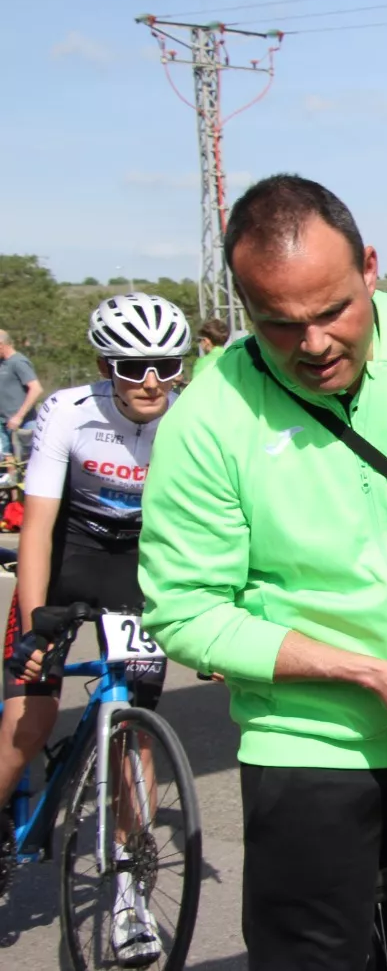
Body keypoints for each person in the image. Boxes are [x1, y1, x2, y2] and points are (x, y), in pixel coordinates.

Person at [138, 174, 387, 970]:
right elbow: (185, 610)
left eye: (332, 312)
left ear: (371, 268)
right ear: (246, 310)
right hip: (304, 750)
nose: (314, 345)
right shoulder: (208, 418)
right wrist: (364, 672)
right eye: (281, 325)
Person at [1, 293, 190, 964]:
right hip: (69, 556)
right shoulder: (70, 412)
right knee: (27, 722)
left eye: (166, 365)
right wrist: (34, 621)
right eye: (133, 364)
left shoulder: (190, 419)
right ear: (106, 363)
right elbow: (40, 526)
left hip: (141, 562)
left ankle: (129, 897)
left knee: (133, 729)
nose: (150, 381)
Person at [0, 330, 43, 481]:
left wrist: (18, 416)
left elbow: (36, 389)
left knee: (28, 462)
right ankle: (13, 502)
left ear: (1, 345)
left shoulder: (18, 362)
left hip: (24, 423)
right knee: (8, 459)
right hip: (4, 422)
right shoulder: (2, 363)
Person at [190, 316, 231, 381]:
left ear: (206, 341)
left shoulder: (202, 363)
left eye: (200, 340)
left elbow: (196, 388)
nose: (200, 343)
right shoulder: (234, 358)